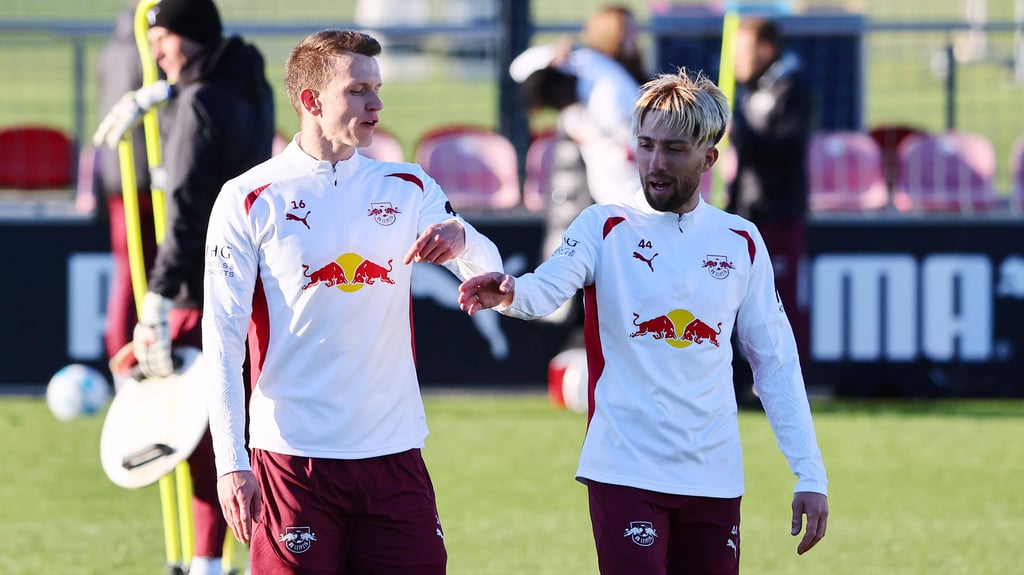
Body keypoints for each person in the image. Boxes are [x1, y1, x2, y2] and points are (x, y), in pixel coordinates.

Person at [458, 69, 828, 574]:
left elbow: (777, 363)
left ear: (709, 158)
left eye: (674, 150)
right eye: (646, 144)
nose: (654, 163)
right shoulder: (602, 225)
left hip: (714, 479)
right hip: (624, 469)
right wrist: (510, 291)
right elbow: (546, 289)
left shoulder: (740, 240)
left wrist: (810, 474)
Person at [203, 29, 503, 573]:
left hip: (394, 454)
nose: (376, 104)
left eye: (377, 88)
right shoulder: (248, 197)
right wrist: (231, 463)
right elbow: (221, 343)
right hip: (294, 462)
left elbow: (485, 266)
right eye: (359, 90)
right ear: (311, 101)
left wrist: (466, 241)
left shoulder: (408, 184)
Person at [94, 1, 275, 573]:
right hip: (259, 287)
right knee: (255, 431)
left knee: (204, 435)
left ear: (192, 37)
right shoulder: (249, 82)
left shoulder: (198, 105)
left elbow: (188, 217)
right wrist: (161, 95)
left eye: (166, 39)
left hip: (206, 294)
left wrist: (156, 299)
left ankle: (207, 564)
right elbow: (220, 93)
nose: (156, 54)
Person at [510, 5, 645, 326]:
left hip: (633, 203)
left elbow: (643, 149)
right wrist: (553, 54)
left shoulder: (608, 95)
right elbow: (518, 68)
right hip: (602, 198)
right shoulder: (575, 64)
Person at [727, 17, 814, 369]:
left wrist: (740, 133)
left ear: (766, 49)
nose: (737, 61)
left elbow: (789, 146)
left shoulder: (791, 86)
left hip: (779, 208)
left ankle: (787, 374)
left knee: (780, 297)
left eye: (743, 52)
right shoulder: (751, 88)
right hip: (747, 211)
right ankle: (744, 374)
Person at [95, 1, 158, 369]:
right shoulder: (146, 49)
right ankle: (126, 354)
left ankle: (122, 353)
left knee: (130, 269)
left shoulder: (110, 50)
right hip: (146, 176)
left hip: (119, 175)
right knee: (141, 271)